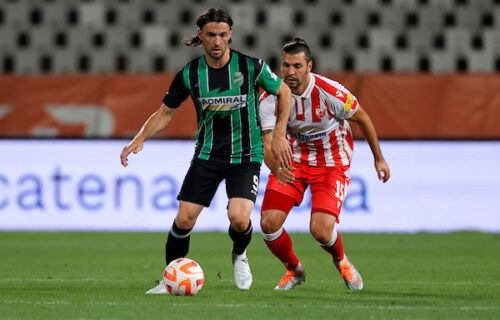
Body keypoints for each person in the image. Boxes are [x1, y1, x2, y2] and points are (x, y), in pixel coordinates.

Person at [120, 8, 292, 293]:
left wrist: (280, 134)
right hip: (208, 155)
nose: (217, 41)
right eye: (211, 35)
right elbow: (165, 112)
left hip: (246, 155)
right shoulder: (190, 74)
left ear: (230, 36)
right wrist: (139, 139)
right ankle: (169, 277)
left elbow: (283, 92)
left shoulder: (251, 67)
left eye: (223, 35)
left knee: (239, 218)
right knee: (184, 218)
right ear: (201, 35)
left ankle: (239, 253)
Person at [259, 38, 390, 291]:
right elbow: (266, 145)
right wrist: (276, 168)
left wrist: (379, 158)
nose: (290, 72)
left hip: (331, 161)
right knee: (268, 223)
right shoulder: (269, 96)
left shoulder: (331, 92)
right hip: (294, 158)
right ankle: (294, 270)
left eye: (297, 66)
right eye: (286, 65)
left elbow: (363, 118)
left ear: (310, 66)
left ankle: (341, 261)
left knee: (320, 230)